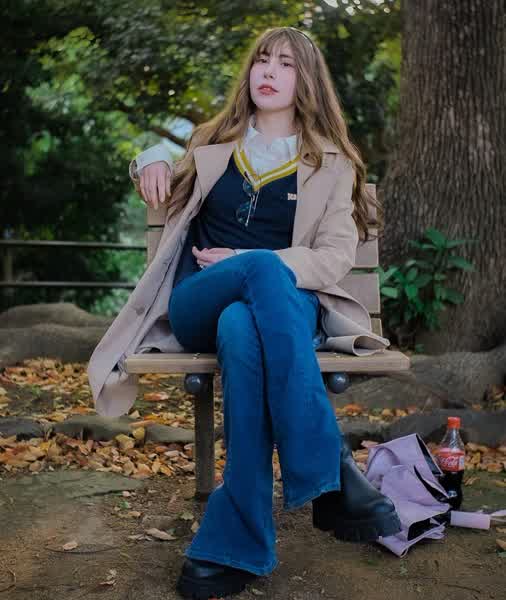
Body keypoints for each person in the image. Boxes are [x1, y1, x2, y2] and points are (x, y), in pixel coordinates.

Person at [111, 26, 401, 600]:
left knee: (244, 324)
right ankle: (330, 468)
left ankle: (235, 542)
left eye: (286, 64)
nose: (268, 71)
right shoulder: (212, 142)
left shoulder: (332, 163)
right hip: (199, 302)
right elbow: (155, 161)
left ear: (307, 81)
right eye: (262, 60)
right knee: (253, 284)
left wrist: (252, 260)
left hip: (275, 313)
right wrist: (149, 158)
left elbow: (335, 257)